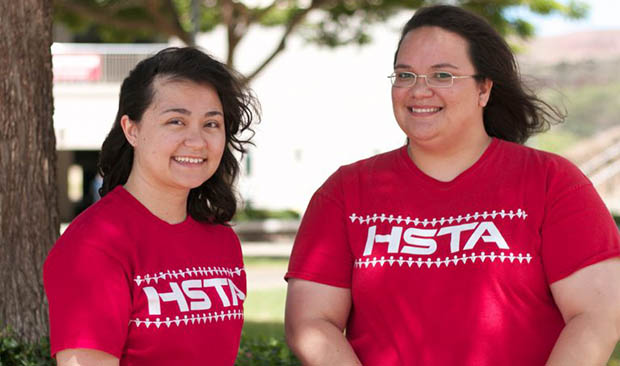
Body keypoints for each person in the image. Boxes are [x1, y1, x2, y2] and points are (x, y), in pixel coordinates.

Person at [284, 5, 620, 365]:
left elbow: (597, 315)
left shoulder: (551, 181)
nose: (419, 90)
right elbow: (311, 321)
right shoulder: (346, 191)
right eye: (405, 75)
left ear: (484, 89)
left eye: (442, 75)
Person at [44, 47, 259, 366]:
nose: (197, 141)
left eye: (211, 124)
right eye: (176, 121)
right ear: (132, 129)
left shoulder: (222, 241)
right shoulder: (93, 245)